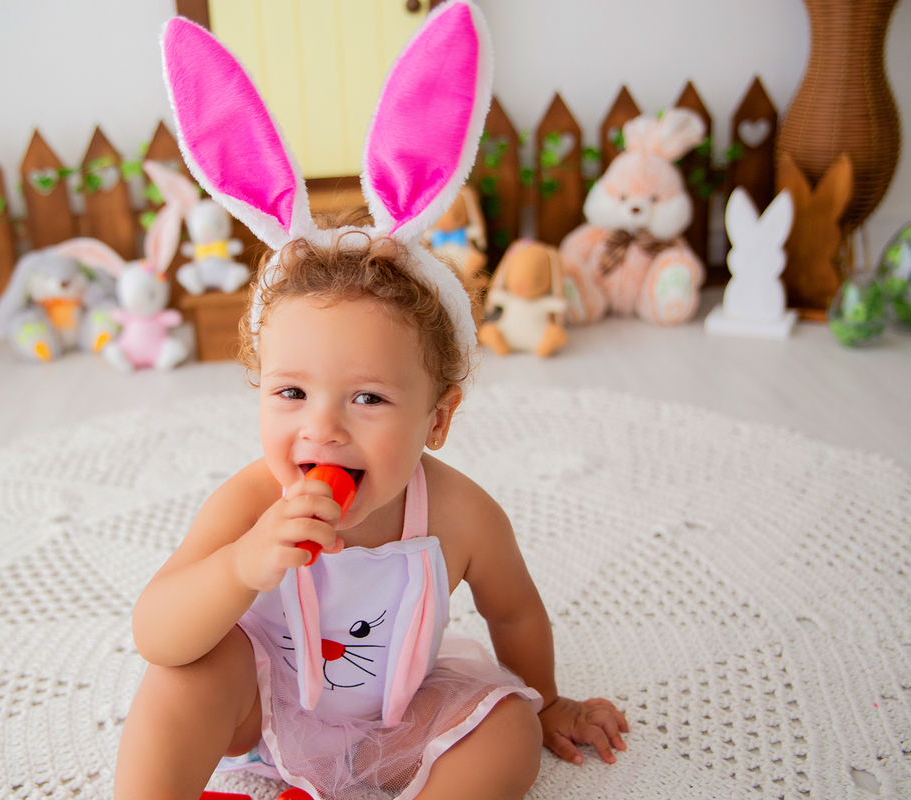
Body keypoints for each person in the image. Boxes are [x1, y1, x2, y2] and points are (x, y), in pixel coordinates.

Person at [116, 4, 627, 798]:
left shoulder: (460, 515)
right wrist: (243, 566)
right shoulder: (252, 500)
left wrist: (548, 695)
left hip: (399, 712)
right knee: (187, 672)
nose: (321, 425)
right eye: (290, 391)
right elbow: (156, 630)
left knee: (507, 734)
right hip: (261, 708)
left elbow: (515, 613)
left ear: (438, 418)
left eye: (367, 398)